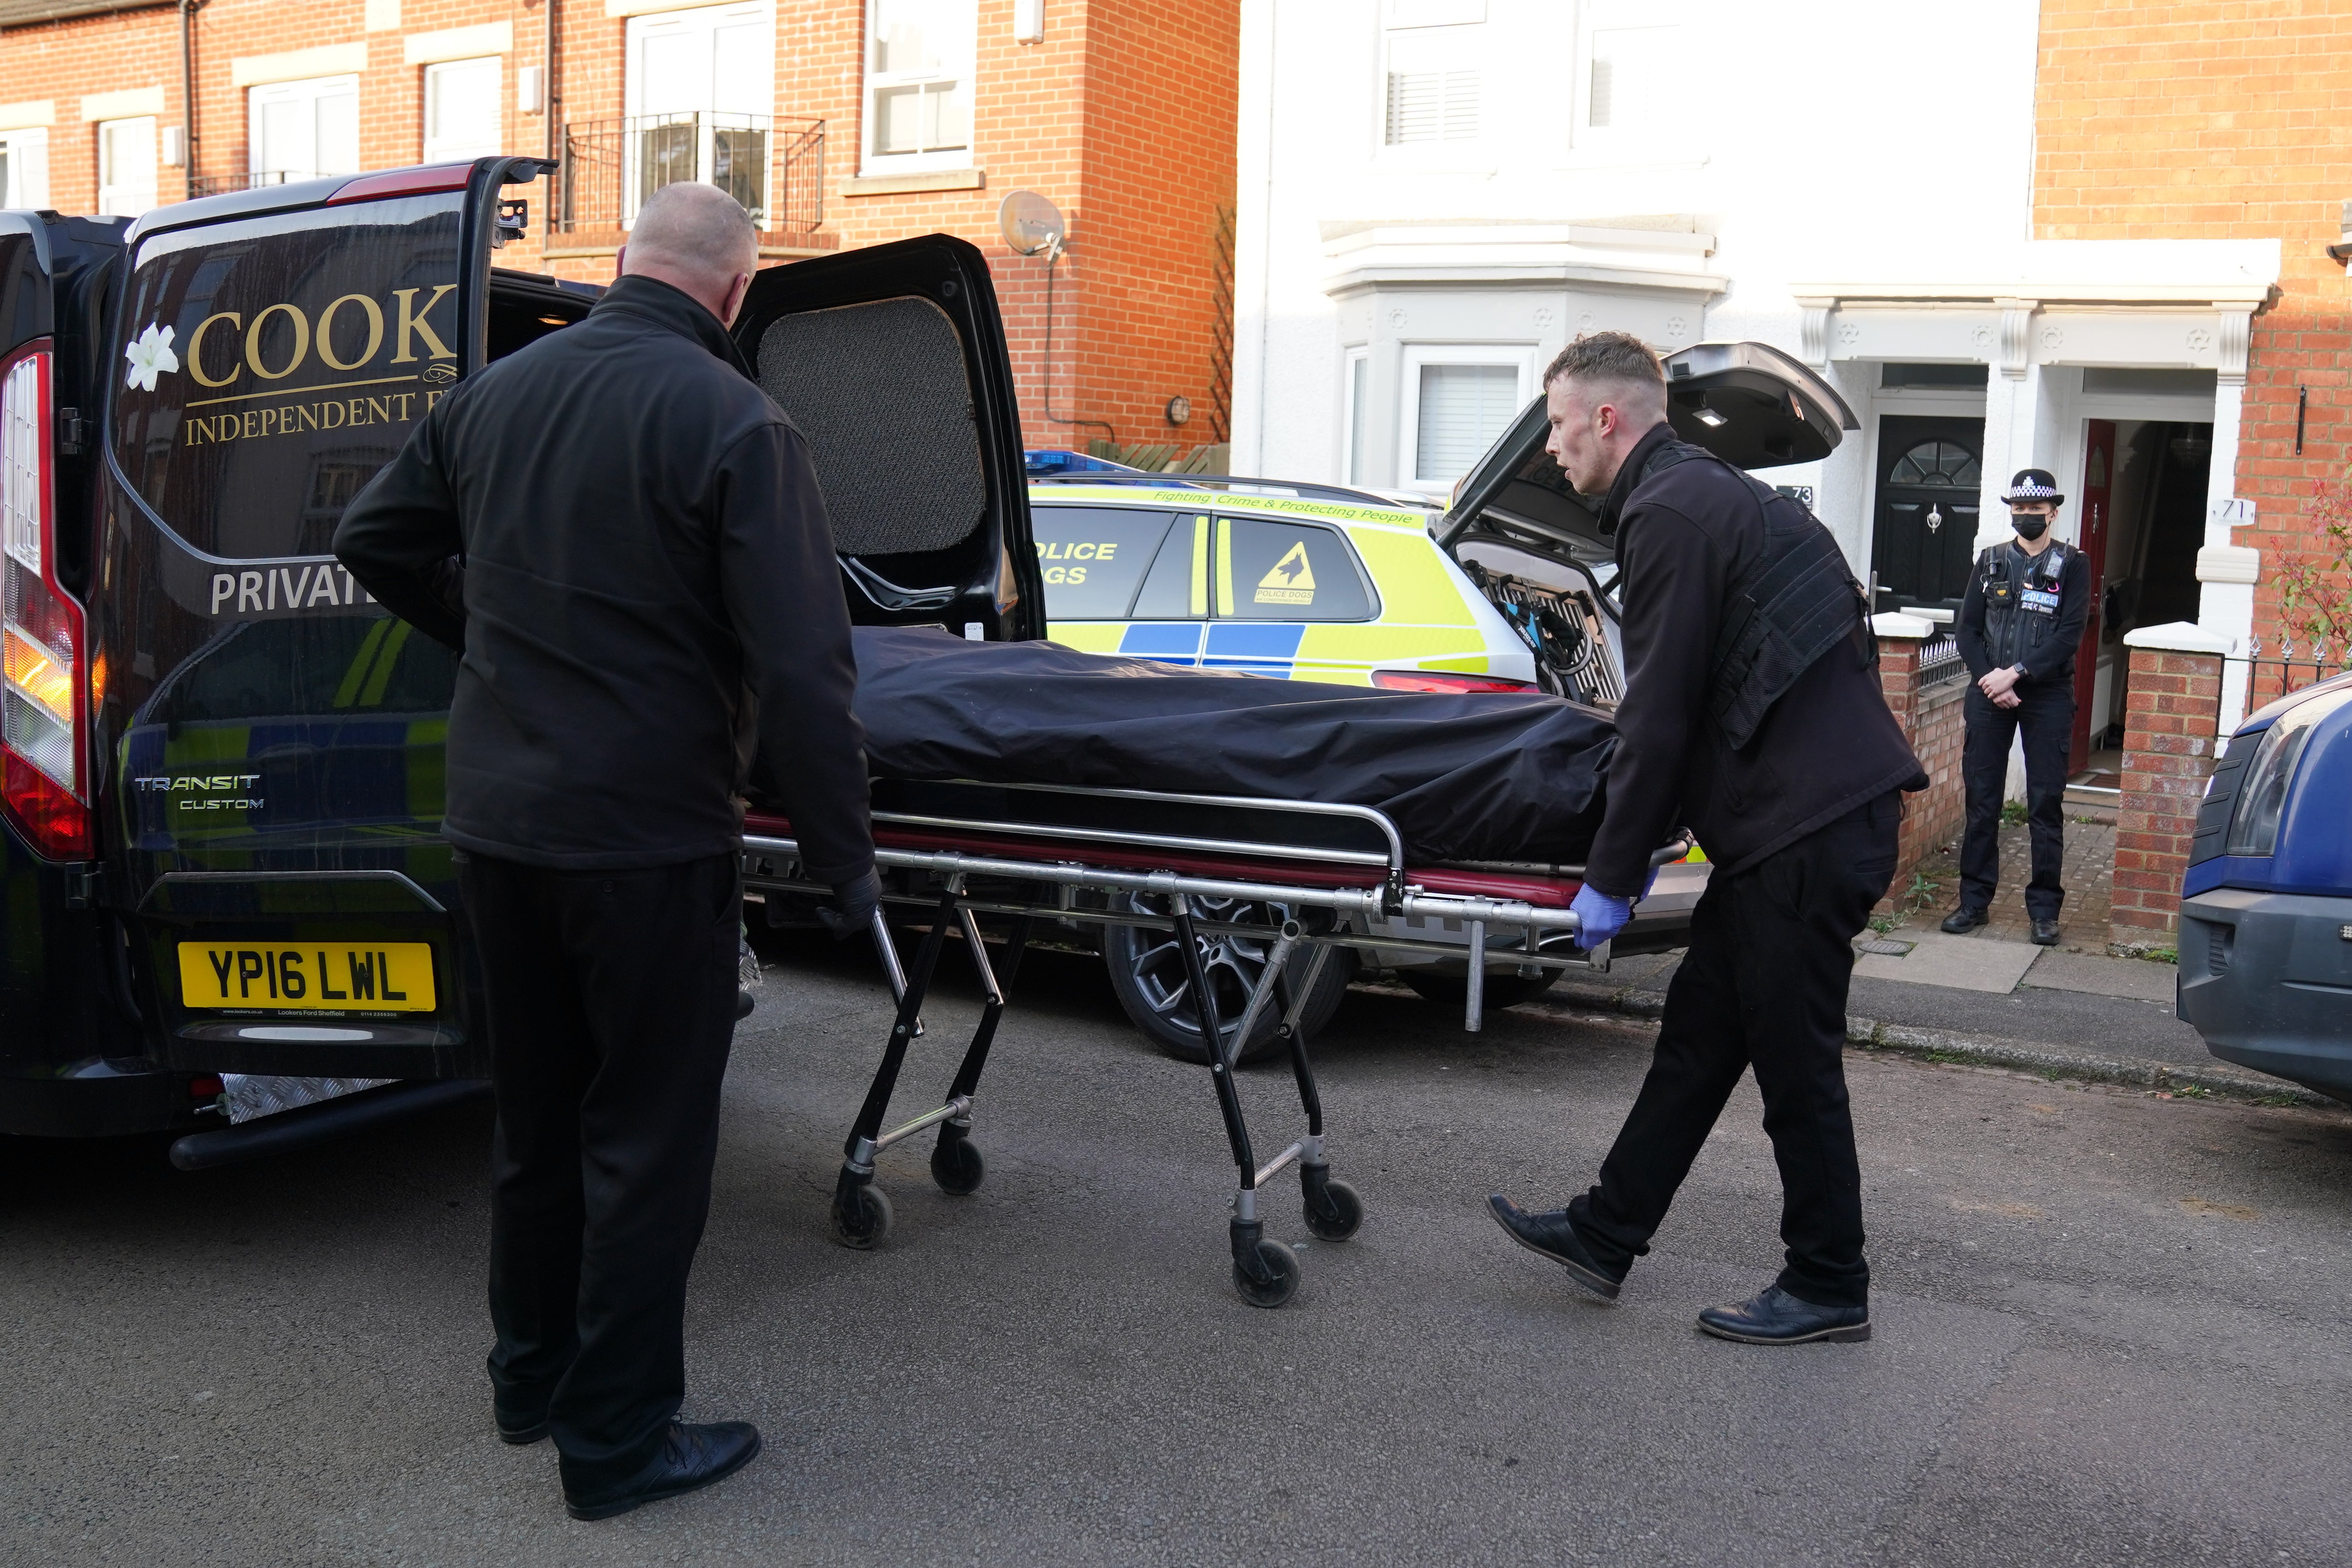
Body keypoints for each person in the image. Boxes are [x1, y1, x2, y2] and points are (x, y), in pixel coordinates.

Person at [334, 182, 879, 1520]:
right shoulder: (739, 420)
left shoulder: (494, 398)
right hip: (643, 843)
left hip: (502, 830)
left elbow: (374, 540)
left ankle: (530, 1380)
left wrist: (497, 635)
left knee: (538, 1120)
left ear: (625, 263)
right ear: (735, 295)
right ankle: (620, 1442)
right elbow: (806, 670)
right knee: (643, 1137)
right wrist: (844, 858)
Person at [1486, 333, 1925, 1345]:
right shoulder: (1708, 494)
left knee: (1795, 1066)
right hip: (1800, 825)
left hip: (1806, 831)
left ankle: (1828, 1282)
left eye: (1557, 424)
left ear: (1609, 418)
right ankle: (1608, 1229)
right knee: (1698, 1041)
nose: (1552, 449)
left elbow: (1663, 710)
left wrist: (1612, 871)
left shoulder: (1669, 509)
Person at [1944, 470, 2092, 946]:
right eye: (2019, 508)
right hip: (1990, 693)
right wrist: (1994, 678)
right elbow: (1966, 629)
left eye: (2036, 509)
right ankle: (1973, 902)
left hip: (2046, 695)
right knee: (1982, 801)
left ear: (2053, 511)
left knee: (2046, 803)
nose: (2027, 516)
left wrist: (2019, 673)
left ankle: (2045, 910)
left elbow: (2070, 634)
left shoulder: (2073, 563)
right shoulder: (1989, 561)